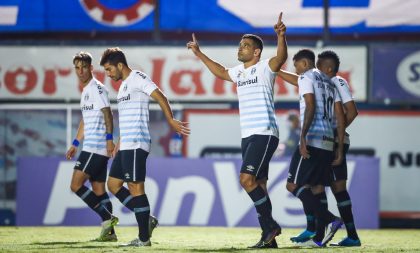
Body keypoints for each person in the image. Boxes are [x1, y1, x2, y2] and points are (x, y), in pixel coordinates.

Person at [187, 12, 287, 249]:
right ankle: (269, 238)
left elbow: (280, 57)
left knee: (246, 179)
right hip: (248, 135)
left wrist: (281, 36)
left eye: (245, 46)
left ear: (256, 52)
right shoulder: (239, 73)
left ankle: (271, 226)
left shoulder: (265, 68)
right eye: (239, 45)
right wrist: (199, 53)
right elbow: (221, 71)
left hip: (264, 132)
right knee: (259, 184)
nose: (239, 49)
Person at [100, 47, 190, 247]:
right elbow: (127, 116)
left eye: (109, 69)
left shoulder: (137, 78)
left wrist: (171, 120)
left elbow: (160, 96)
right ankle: (146, 219)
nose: (108, 74)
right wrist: (120, 141)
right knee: (113, 185)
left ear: (120, 65)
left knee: (135, 188)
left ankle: (143, 238)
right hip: (126, 144)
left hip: (137, 141)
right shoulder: (123, 87)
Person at [279, 50, 361, 247]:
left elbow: (350, 112)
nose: (317, 69)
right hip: (327, 141)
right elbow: (300, 79)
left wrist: (336, 138)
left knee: (337, 188)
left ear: (329, 68)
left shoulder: (337, 82)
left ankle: (350, 234)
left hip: (329, 141)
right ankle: (315, 233)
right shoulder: (319, 80)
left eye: (320, 65)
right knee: (317, 186)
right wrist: (276, 70)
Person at [65, 51, 118, 242]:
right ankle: (110, 233)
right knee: (99, 191)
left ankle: (107, 218)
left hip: (95, 147)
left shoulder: (97, 88)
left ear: (91, 68)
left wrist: (110, 139)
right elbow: (86, 121)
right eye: (77, 68)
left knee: (75, 185)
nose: (80, 71)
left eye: (84, 67)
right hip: (91, 146)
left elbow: (108, 113)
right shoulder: (86, 91)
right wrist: (75, 143)